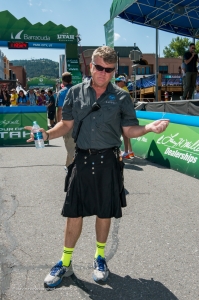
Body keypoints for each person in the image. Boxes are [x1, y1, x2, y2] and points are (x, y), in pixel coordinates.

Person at [25, 46, 169, 288]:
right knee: (74, 213)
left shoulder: (122, 97)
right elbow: (66, 123)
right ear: (90, 66)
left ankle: (99, 258)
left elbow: (128, 130)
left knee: (104, 212)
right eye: (99, 67)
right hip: (81, 159)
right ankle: (65, 262)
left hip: (108, 161)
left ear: (114, 71)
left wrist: (147, 129)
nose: (103, 73)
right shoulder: (74, 93)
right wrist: (47, 134)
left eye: (109, 69)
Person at [56, 72, 75, 171]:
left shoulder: (62, 92)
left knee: (70, 145)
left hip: (68, 122)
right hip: (81, 121)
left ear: (63, 81)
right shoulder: (79, 90)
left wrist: (59, 125)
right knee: (75, 145)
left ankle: (71, 167)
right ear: (71, 80)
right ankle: (68, 164)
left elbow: (60, 109)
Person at [115, 76, 135, 159]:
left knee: (124, 134)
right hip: (125, 114)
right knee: (126, 134)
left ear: (121, 82)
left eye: (118, 82)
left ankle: (126, 152)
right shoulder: (123, 89)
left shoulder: (123, 90)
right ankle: (130, 151)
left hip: (123, 115)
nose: (117, 83)